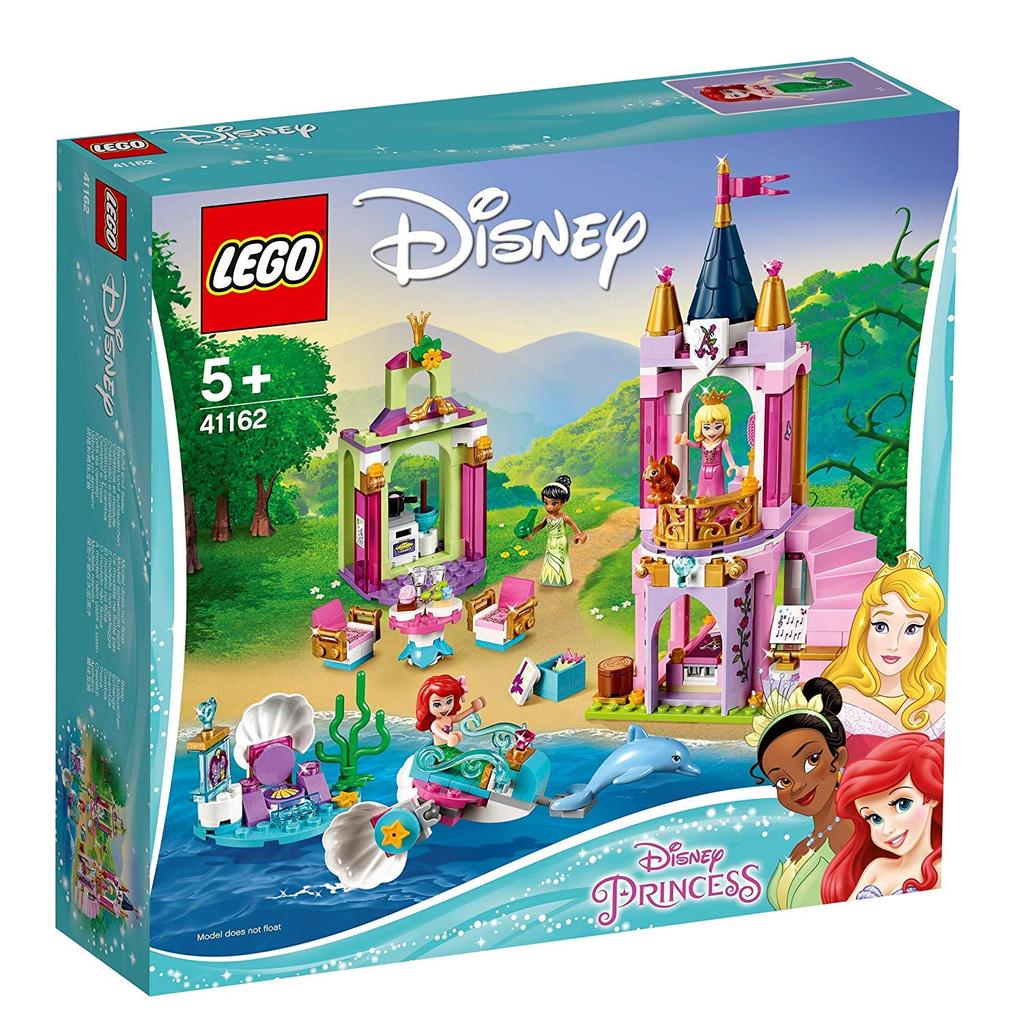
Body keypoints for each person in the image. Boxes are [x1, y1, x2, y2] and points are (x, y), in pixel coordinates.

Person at [823, 551, 946, 759]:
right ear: (864, 628)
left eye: (911, 629)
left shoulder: (939, 707)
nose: (893, 645)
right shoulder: (840, 703)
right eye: (881, 626)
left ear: (927, 636)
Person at [746, 679, 853, 910]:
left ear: (838, 758)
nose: (797, 786)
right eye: (783, 781)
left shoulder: (852, 835)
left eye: (811, 760)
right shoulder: (805, 845)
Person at [821, 733, 943, 902]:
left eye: (902, 804)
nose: (887, 829)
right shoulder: (876, 868)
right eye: (874, 818)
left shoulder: (941, 870)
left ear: (930, 796)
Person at [674, 387, 740, 499]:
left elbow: (729, 457)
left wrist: (732, 466)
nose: (712, 432)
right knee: (702, 490)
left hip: (717, 469)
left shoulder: (722, 443)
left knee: (716, 491)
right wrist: (685, 441)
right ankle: (702, 507)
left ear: (725, 425)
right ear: (700, 427)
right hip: (703, 468)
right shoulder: (703, 442)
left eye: (717, 427)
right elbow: (695, 445)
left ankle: (717, 508)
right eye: (707, 428)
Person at [525, 475, 587, 587]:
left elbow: (577, 531)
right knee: (549, 559)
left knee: (560, 559)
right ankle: (548, 579)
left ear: (562, 502)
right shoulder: (547, 517)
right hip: (550, 541)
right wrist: (531, 533)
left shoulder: (564, 517)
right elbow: (540, 525)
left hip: (560, 542)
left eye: (554, 503)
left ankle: (561, 580)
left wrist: (580, 536)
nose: (549, 507)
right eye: (546, 503)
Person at [414, 674, 486, 748]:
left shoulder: (448, 718)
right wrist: (449, 738)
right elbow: (441, 734)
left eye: (449, 702)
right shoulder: (434, 725)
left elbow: (459, 717)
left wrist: (473, 709)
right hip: (441, 750)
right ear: (426, 705)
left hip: (450, 748)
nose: (444, 708)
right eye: (437, 705)